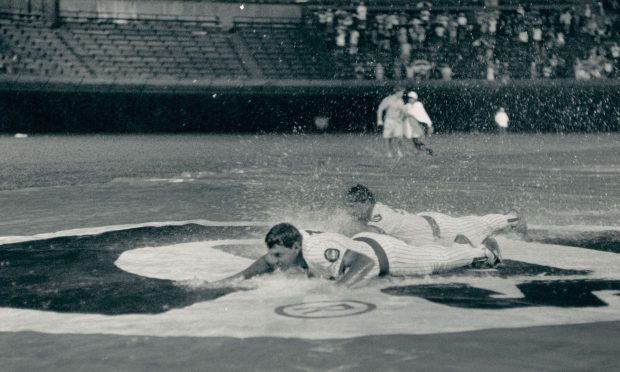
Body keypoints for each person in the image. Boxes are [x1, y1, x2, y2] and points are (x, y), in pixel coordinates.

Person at [223, 222, 502, 287]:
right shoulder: (293, 240)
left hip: (386, 256)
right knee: (429, 252)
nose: (276, 261)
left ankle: (483, 251)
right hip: (364, 242)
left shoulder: (317, 252)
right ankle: (460, 244)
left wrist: (336, 292)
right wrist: (233, 279)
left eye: (281, 255)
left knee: (439, 262)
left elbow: (364, 263)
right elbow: (267, 259)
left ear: (295, 248)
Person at [343, 184, 526, 249]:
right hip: (425, 227)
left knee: (478, 224)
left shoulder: (378, 214)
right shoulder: (370, 212)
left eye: (352, 206)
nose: (349, 211)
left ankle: (512, 217)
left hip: (440, 228)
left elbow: (368, 235)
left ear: (366, 202)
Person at [376, 86, 406, 158]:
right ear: (397, 92)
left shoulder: (401, 101)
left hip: (397, 121)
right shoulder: (388, 99)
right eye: (401, 92)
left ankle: (399, 150)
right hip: (389, 120)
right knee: (388, 137)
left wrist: (400, 118)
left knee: (399, 137)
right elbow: (380, 109)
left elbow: (403, 112)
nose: (402, 94)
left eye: (403, 92)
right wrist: (379, 120)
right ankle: (389, 152)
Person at [403, 91, 434, 156]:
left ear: (415, 99)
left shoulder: (418, 105)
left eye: (412, 98)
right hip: (410, 125)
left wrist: (428, 123)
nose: (410, 99)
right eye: (409, 98)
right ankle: (421, 151)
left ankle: (427, 149)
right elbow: (403, 114)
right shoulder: (407, 106)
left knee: (419, 138)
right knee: (414, 140)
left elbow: (423, 115)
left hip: (419, 124)